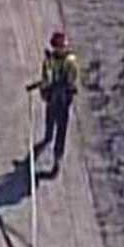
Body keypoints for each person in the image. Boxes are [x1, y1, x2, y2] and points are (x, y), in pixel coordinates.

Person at [27, 31, 79, 168]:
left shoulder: (70, 62)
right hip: (52, 98)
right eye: (56, 47)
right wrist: (41, 86)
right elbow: (46, 78)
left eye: (60, 47)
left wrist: (55, 87)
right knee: (49, 119)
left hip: (62, 99)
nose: (58, 49)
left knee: (61, 129)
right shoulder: (50, 60)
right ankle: (48, 137)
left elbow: (70, 82)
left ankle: (57, 157)